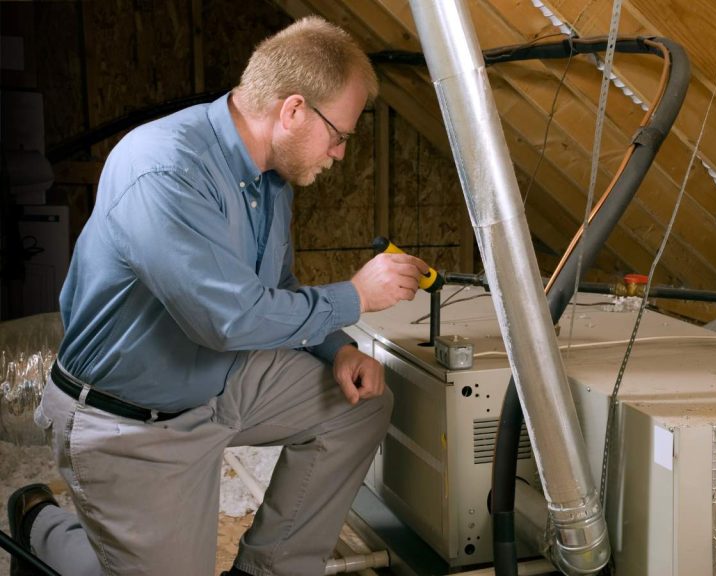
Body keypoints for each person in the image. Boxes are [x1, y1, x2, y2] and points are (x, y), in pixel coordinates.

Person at [7, 16, 429, 576]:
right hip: (130, 423)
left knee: (360, 405)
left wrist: (338, 349)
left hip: (217, 382)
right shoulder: (164, 168)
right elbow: (227, 321)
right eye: (341, 134)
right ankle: (42, 522)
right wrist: (356, 295)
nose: (341, 153)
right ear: (294, 110)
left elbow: (275, 293)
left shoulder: (270, 177)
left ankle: (265, 570)